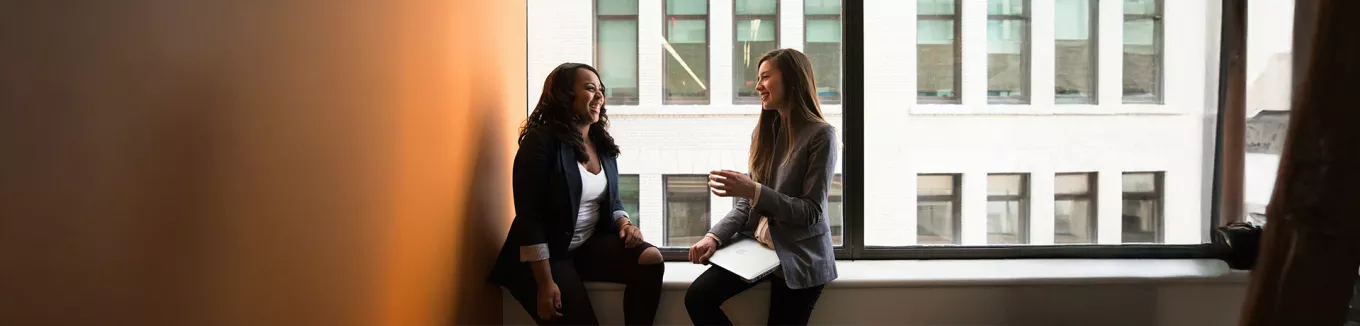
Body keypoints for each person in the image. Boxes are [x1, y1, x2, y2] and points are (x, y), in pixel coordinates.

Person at [488, 63, 664, 326]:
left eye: (601, 90)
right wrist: (545, 284)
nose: (599, 96)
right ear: (564, 95)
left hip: (583, 247)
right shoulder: (540, 142)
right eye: (590, 88)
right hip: (546, 257)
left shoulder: (601, 143)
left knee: (651, 259)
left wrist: (624, 223)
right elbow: (529, 218)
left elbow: (611, 199)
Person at [684, 48, 839, 326]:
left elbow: (811, 212)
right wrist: (713, 237)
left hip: (800, 256)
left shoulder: (821, 135)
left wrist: (753, 190)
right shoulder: (764, 132)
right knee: (697, 297)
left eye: (765, 77)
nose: (758, 86)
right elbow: (748, 203)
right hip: (759, 248)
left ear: (792, 80)